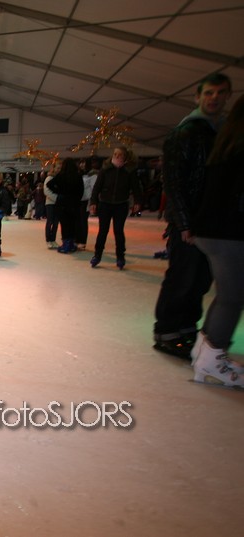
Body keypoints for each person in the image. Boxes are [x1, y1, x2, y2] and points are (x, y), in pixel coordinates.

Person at [153, 72, 232, 359]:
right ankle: (167, 331)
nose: (214, 98)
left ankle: (186, 327)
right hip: (188, 222)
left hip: (211, 221)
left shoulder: (223, 132)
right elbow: (174, 181)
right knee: (182, 277)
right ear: (198, 97)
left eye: (220, 93)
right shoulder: (186, 132)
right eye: (209, 92)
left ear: (227, 96)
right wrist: (184, 222)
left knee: (200, 279)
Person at [189, 93, 244, 387]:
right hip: (228, 232)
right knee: (233, 297)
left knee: (227, 294)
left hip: (213, 230)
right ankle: (212, 358)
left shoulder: (225, 146)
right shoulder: (238, 149)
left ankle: (205, 351)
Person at [89, 148, 142, 268]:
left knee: (118, 231)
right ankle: (97, 255)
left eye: (120, 155)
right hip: (105, 204)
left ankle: (120, 256)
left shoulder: (129, 171)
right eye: (115, 154)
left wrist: (137, 202)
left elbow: (136, 188)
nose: (117, 156)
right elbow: (97, 187)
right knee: (103, 231)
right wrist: (93, 202)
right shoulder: (105, 169)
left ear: (125, 157)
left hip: (121, 205)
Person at [47, 158, 84, 254]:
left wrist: (59, 191)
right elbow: (81, 191)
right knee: (72, 224)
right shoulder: (78, 176)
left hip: (62, 203)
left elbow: (49, 184)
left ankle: (66, 244)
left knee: (65, 224)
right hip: (74, 204)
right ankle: (71, 244)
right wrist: (76, 199)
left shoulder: (61, 175)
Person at [76, 158, 100, 250]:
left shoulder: (93, 175)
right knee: (77, 221)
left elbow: (94, 189)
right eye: (81, 163)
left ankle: (82, 241)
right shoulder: (80, 174)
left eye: (84, 163)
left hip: (86, 201)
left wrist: (92, 202)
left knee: (83, 221)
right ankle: (77, 240)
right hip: (78, 200)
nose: (82, 165)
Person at [43, 164, 60, 249]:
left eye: (60, 168)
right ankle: (48, 240)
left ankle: (53, 239)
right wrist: (57, 199)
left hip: (57, 204)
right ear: (53, 169)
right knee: (50, 221)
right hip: (50, 203)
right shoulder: (49, 178)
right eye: (57, 168)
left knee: (56, 222)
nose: (59, 170)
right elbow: (46, 191)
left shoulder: (59, 179)